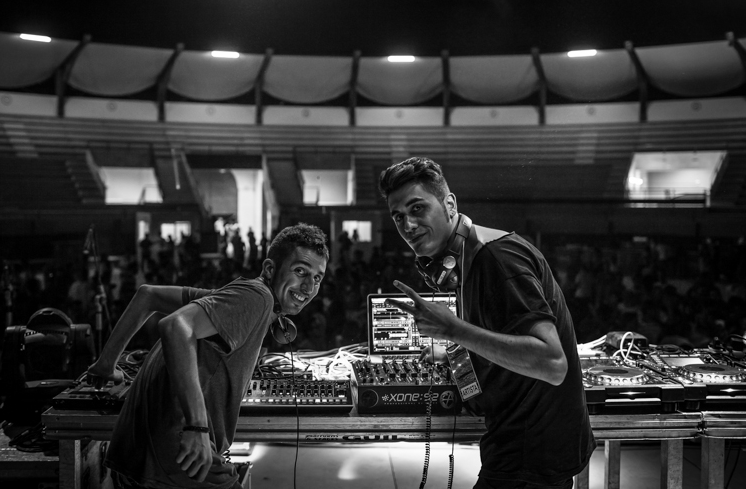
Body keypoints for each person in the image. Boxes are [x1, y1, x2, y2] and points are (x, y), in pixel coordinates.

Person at [379, 157, 595, 489]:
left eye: (417, 208)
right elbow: (502, 335)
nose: (407, 225)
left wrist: (453, 330)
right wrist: (455, 351)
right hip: (525, 445)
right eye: (398, 217)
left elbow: (552, 362)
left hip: (530, 454)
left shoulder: (496, 259)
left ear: (450, 205)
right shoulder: (470, 257)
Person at [86, 223, 329, 489]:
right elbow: (175, 325)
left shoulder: (234, 295)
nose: (309, 287)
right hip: (179, 460)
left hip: (138, 460)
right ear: (270, 269)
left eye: (317, 278)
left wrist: (106, 364)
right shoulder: (257, 298)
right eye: (300, 271)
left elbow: (148, 296)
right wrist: (198, 428)